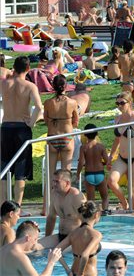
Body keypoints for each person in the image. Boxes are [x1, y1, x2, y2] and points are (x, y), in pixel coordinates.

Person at [0, 56, 43, 205]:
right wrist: (31, 122)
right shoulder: (30, 86)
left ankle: (2, 207)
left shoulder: (4, 83)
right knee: (20, 170)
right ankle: (17, 207)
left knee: (4, 170)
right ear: (28, 69)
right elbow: (39, 107)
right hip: (22, 129)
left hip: (5, 128)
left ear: (14, 67)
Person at [107, 92, 134, 212]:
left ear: (130, 103)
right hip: (122, 157)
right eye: (117, 103)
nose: (119, 106)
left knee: (132, 190)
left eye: (122, 103)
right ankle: (123, 202)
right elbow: (117, 140)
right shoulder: (117, 119)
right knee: (111, 181)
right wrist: (111, 156)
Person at [44, 74, 80, 175]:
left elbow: (46, 120)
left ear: (53, 86)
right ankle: (64, 190)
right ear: (66, 86)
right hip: (67, 137)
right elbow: (76, 122)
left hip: (52, 137)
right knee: (66, 173)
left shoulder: (47, 103)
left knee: (50, 173)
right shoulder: (72, 102)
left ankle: (49, 191)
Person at [56, 201, 103, 276]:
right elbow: (84, 255)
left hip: (73, 272)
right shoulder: (96, 235)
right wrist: (81, 274)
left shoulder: (73, 234)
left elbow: (56, 250)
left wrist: (68, 271)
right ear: (97, 215)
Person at [44, 169, 86, 247]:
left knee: (58, 253)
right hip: (60, 236)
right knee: (34, 247)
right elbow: (51, 218)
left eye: (57, 182)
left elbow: (87, 220)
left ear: (67, 183)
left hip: (75, 238)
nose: (54, 184)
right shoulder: (54, 194)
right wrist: (47, 237)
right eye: (53, 181)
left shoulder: (76, 196)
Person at [77, 124, 110, 212]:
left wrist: (77, 174)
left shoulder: (83, 147)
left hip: (89, 174)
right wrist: (102, 163)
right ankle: (105, 210)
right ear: (97, 134)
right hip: (100, 173)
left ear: (85, 135)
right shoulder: (101, 146)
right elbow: (107, 161)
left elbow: (81, 162)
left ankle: (91, 215)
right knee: (105, 197)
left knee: (91, 200)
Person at [118, 40, 134, 104]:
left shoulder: (121, 57)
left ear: (124, 47)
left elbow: (119, 67)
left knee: (126, 106)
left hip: (127, 82)